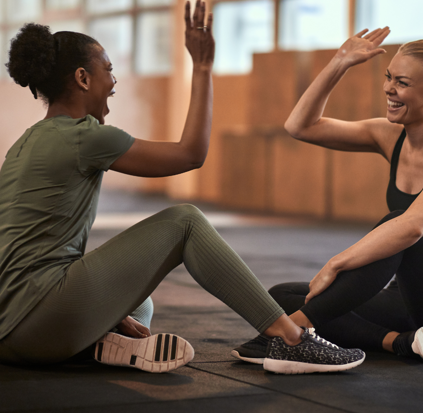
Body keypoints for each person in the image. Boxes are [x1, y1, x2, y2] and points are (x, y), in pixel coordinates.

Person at [0, 1, 365, 375]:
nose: (113, 81)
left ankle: (97, 343)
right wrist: (203, 67)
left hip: (10, 332)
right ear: (82, 78)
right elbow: (191, 154)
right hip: (40, 319)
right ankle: (290, 339)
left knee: (140, 304)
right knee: (185, 221)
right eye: (108, 70)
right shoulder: (84, 138)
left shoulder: (24, 144)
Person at [232, 28, 423, 364]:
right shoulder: (388, 135)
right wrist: (339, 62)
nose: (389, 89)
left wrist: (336, 264)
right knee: (283, 297)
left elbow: (414, 227)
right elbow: (300, 126)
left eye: (402, 83)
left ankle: (293, 336)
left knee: (399, 225)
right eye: (389, 77)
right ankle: (400, 342)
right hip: (405, 301)